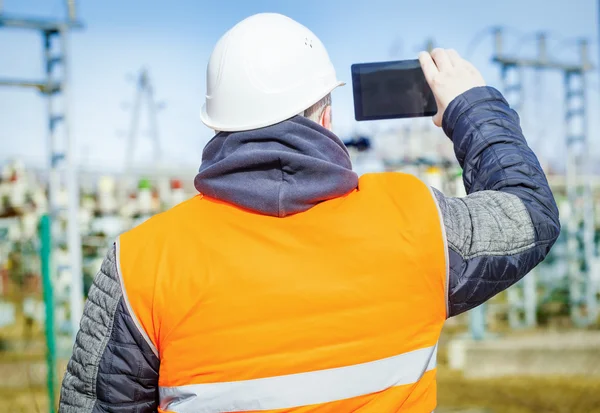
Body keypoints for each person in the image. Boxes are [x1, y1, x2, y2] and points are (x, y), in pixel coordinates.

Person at [58, 13, 559, 413]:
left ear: (217, 122)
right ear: (326, 115)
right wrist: (469, 106)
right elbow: (528, 212)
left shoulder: (143, 259)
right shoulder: (414, 219)